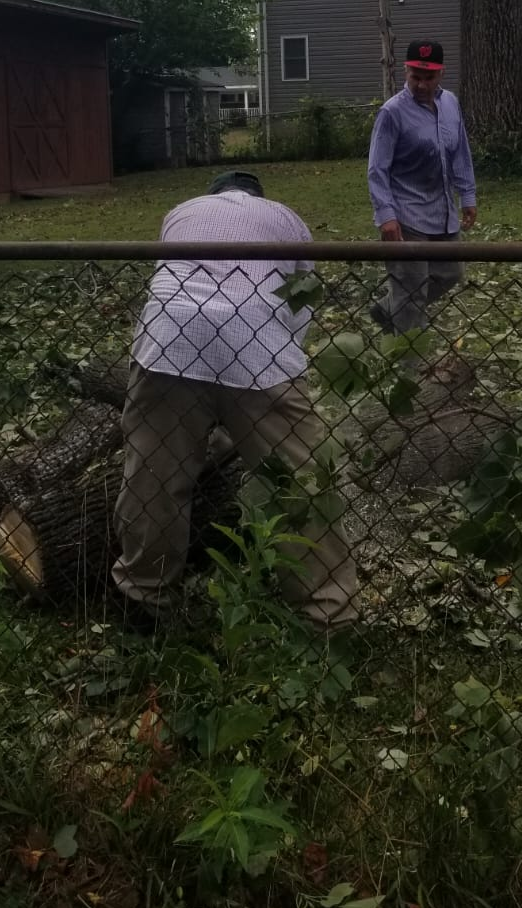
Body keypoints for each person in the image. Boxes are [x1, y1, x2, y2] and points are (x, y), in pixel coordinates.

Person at [112, 169, 357, 630]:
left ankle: (145, 598)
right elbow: (301, 297)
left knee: (154, 476)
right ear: (260, 196)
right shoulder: (286, 218)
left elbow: (166, 275)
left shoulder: (180, 212)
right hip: (257, 337)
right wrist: (277, 369)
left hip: (169, 337)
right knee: (300, 480)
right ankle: (327, 614)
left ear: (214, 195)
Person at [367, 41, 476, 340]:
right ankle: (408, 374)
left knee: (451, 273)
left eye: (429, 78)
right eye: (416, 76)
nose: (422, 84)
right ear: (406, 71)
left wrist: (468, 195)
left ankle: (389, 309)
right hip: (407, 215)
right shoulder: (392, 113)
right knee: (412, 293)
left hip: (442, 211)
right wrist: (386, 215)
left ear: (440, 74)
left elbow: (461, 153)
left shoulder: (451, 104)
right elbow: (377, 168)